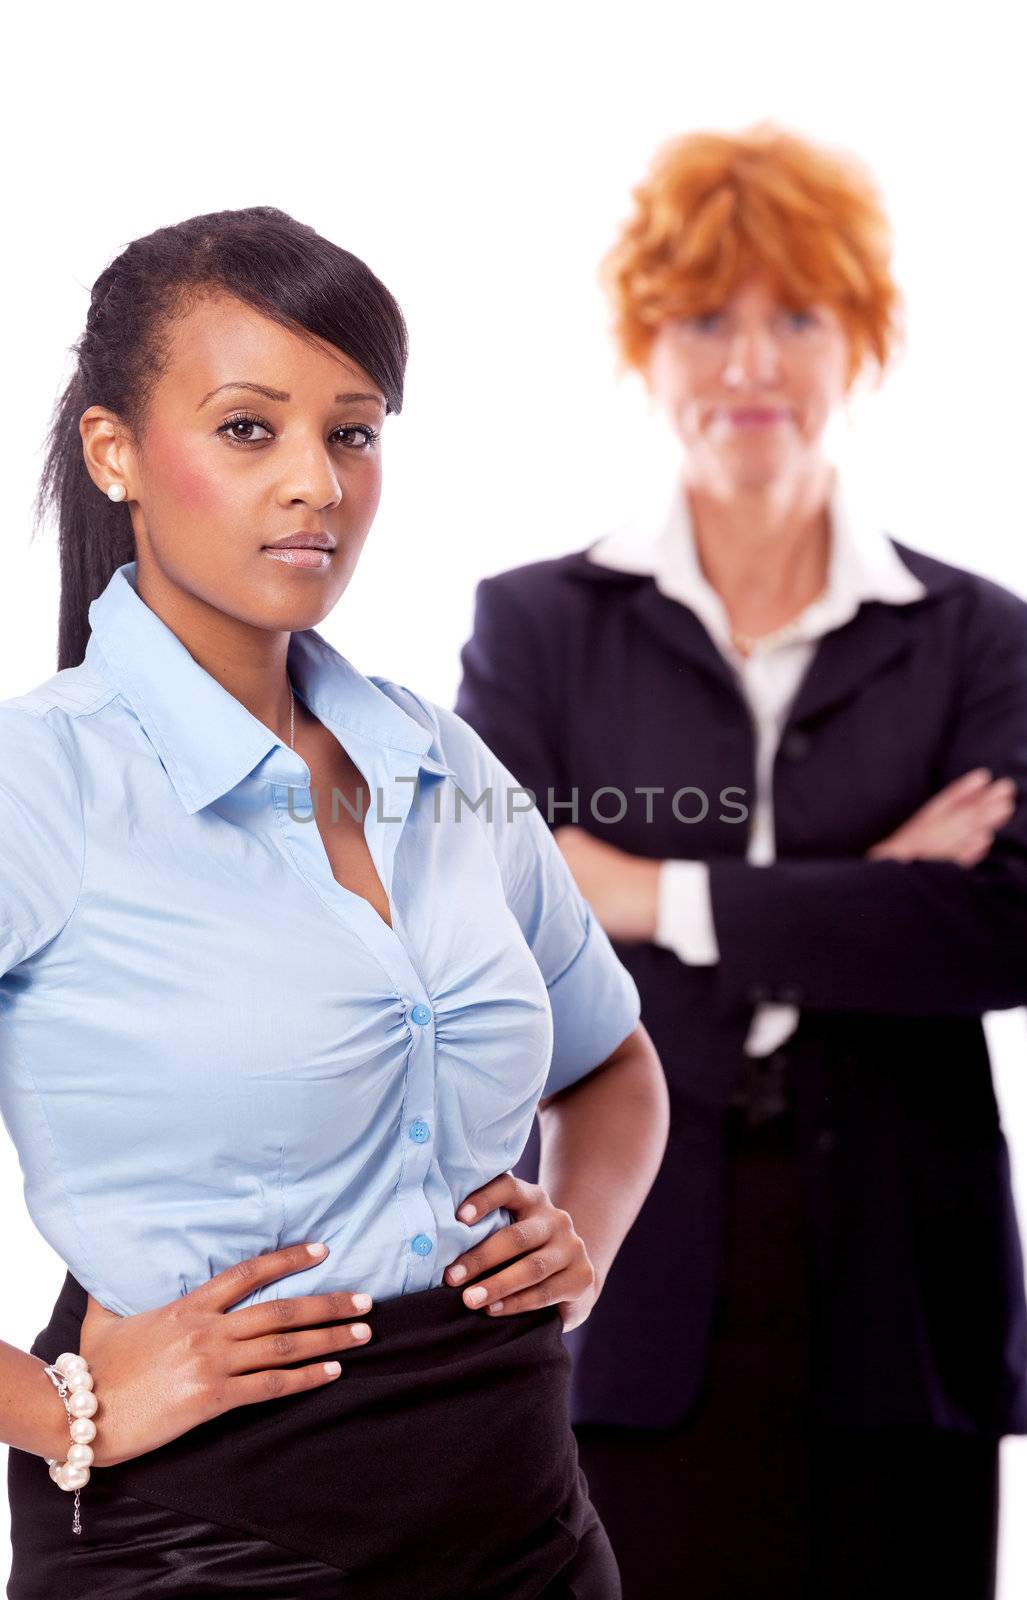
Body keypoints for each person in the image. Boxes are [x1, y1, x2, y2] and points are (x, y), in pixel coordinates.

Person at [0, 205, 670, 1600]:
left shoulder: (438, 754)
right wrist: (62, 1408)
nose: (315, 482)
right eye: (249, 429)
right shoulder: (38, 781)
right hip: (211, 1537)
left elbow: (613, 1065)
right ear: (113, 449)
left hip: (525, 1515)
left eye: (352, 433)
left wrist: (581, 1246)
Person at [454, 123, 1027, 1600]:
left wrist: (652, 891)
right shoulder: (539, 628)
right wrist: (872, 893)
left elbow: (1004, 933)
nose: (750, 363)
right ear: (648, 346)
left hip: (906, 1287)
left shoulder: (979, 635)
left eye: (798, 317)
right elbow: (488, 931)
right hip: (628, 1271)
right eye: (705, 319)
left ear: (864, 344)